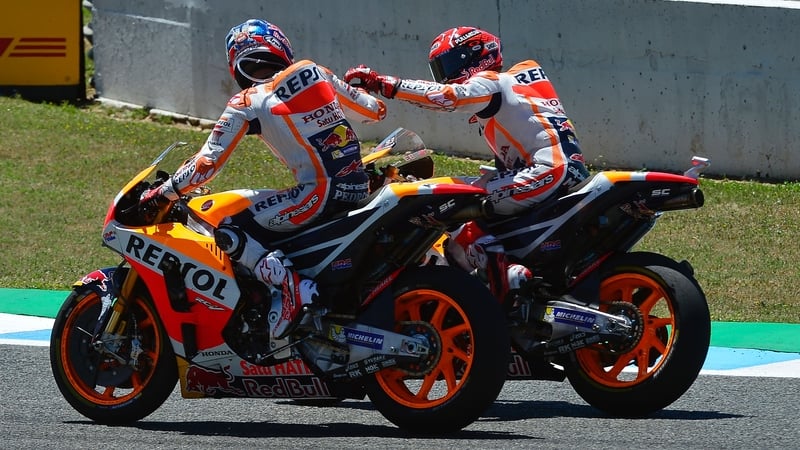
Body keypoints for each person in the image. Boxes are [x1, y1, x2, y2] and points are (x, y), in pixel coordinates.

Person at [139, 19, 387, 342]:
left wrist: (164, 192)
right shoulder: (318, 72)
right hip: (358, 186)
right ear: (281, 48)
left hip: (318, 194)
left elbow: (206, 164)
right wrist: (362, 86)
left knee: (228, 226)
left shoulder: (247, 101)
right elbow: (375, 110)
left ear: (236, 64)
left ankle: (289, 291)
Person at [344, 26, 589, 297]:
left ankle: (506, 280)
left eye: (449, 64)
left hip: (545, 173)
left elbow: (446, 97)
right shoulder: (523, 80)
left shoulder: (491, 82)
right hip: (564, 169)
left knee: (451, 203)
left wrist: (383, 84)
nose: (447, 76)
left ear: (474, 55)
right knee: (476, 190)